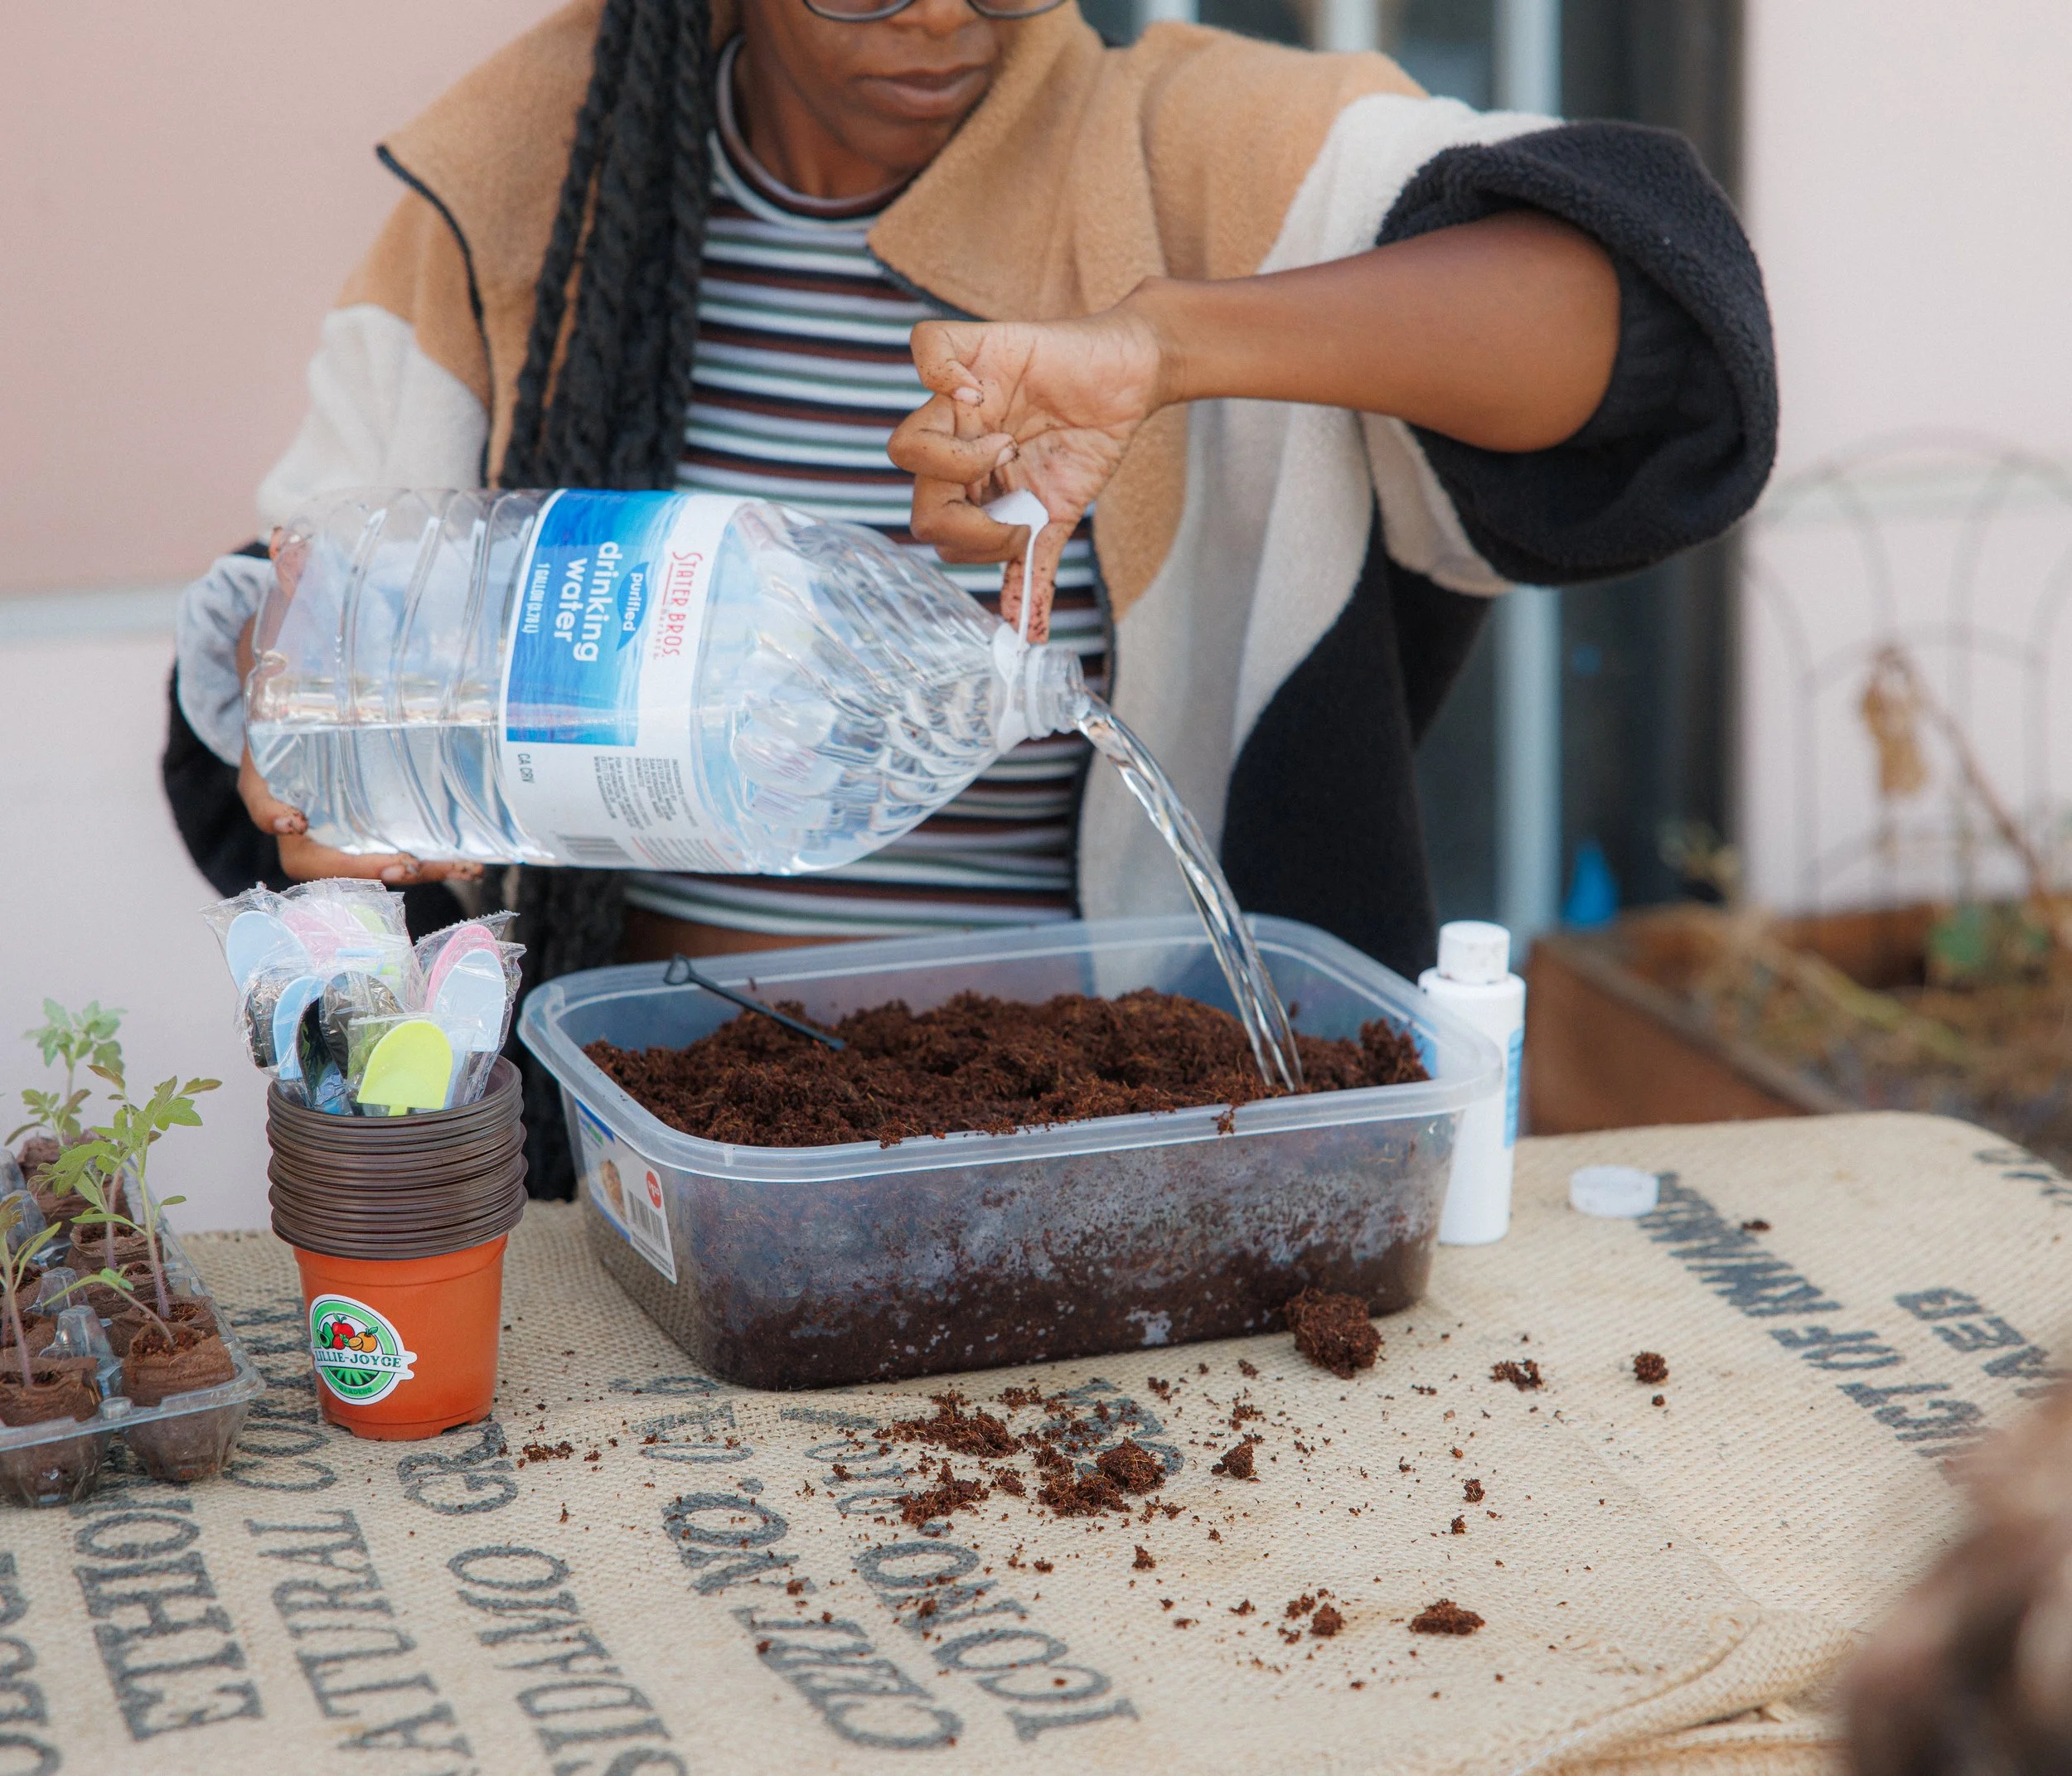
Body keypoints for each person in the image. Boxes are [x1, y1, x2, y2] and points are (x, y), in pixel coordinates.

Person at [165, 0, 1775, 1193]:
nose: (937, 12)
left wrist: (1167, 347)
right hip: (655, 1174)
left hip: (1147, 1156)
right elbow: (284, 674)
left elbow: (1659, 353)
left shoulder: (1214, 154)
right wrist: (328, 766)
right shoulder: (524, 183)